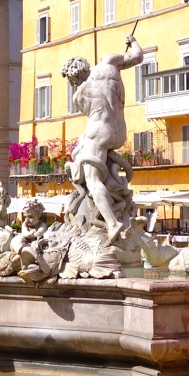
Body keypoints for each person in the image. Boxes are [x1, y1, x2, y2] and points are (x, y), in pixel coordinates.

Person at [60, 35, 145, 245]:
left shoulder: (78, 95)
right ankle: (113, 208)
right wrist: (132, 41)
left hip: (98, 131)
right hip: (119, 132)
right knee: (82, 152)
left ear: (73, 79)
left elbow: (92, 113)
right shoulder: (108, 62)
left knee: (92, 179)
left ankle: (111, 222)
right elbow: (137, 56)